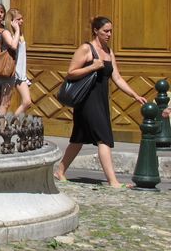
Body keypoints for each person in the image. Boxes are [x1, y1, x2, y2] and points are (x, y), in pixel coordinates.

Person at [54, 16, 145, 188]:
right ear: (96, 30)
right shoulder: (86, 49)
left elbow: (116, 77)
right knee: (104, 137)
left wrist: (134, 95)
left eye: (111, 31)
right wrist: (92, 66)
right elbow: (71, 72)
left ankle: (60, 171)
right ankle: (113, 181)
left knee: (78, 139)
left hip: (101, 100)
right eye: (106, 31)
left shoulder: (109, 52)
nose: (109, 34)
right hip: (87, 100)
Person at [8, 8, 34, 116]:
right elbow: (13, 47)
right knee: (4, 102)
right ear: (12, 21)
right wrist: (16, 30)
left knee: (27, 101)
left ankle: (12, 123)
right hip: (12, 73)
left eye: (22, 19)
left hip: (21, 74)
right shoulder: (10, 34)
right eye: (19, 19)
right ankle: (3, 125)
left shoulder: (20, 33)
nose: (21, 21)